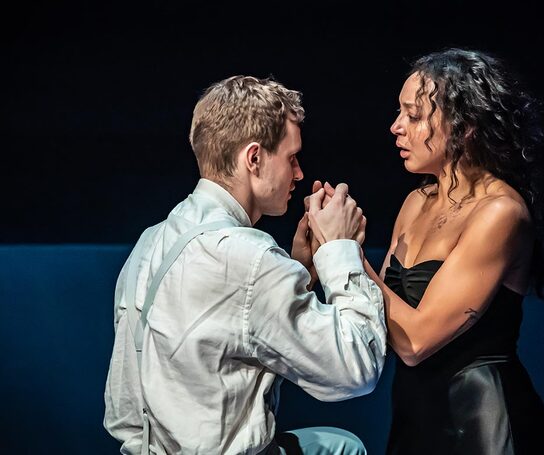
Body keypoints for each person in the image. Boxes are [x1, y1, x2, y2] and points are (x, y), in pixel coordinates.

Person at [103, 75, 386, 455]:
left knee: (337, 447)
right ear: (253, 158)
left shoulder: (152, 239)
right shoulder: (247, 258)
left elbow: (228, 324)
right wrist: (340, 248)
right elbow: (356, 370)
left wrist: (296, 268)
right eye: (291, 158)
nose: (299, 173)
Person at [356, 48, 544, 453]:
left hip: (481, 424)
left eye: (413, 116)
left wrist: (345, 253)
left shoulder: (500, 213)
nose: (396, 127)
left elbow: (415, 341)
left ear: (463, 128)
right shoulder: (416, 201)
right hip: (414, 419)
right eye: (399, 113)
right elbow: (377, 315)